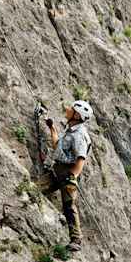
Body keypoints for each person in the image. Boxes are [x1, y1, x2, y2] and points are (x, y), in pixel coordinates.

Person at [42, 100, 93, 252]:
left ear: (77, 115)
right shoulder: (70, 129)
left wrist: (73, 176)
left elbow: (81, 159)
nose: (68, 109)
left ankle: (76, 240)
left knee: (69, 206)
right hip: (57, 170)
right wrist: (51, 128)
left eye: (71, 108)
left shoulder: (79, 135)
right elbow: (57, 146)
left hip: (68, 173)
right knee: (34, 190)